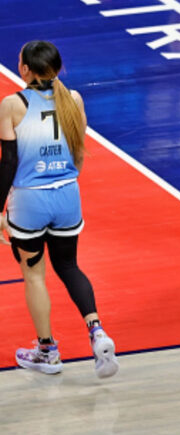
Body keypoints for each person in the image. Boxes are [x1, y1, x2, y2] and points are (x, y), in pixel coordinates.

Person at [2, 40, 118, 379]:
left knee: (34, 275)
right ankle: (97, 332)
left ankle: (47, 351)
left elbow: (7, 164)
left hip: (30, 202)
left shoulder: (12, 105)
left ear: (24, 69)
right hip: (68, 195)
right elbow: (79, 151)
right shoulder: (74, 98)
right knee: (69, 265)